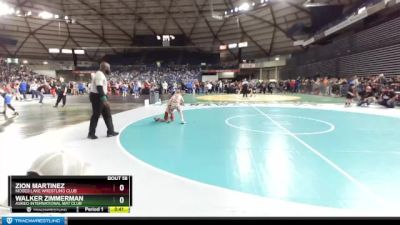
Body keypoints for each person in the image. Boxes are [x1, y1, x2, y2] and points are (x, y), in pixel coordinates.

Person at [88, 62, 119, 139]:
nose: (109, 69)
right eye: (109, 68)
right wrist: (104, 100)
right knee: (96, 115)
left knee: (107, 114)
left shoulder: (101, 75)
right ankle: (91, 134)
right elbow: (99, 88)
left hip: (101, 96)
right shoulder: (99, 75)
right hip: (97, 97)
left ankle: (110, 131)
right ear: (105, 68)